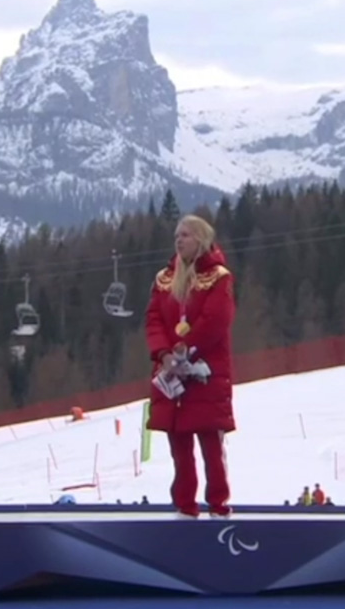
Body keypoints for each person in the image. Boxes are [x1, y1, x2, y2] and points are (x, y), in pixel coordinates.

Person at [145, 214, 236, 519]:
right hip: (171, 375)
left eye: (185, 235)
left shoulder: (219, 277)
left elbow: (216, 320)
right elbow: (154, 319)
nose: (178, 240)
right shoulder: (164, 279)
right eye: (176, 235)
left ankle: (218, 506)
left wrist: (188, 348)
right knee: (179, 448)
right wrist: (164, 355)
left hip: (205, 374)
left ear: (201, 239)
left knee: (211, 444)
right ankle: (185, 506)